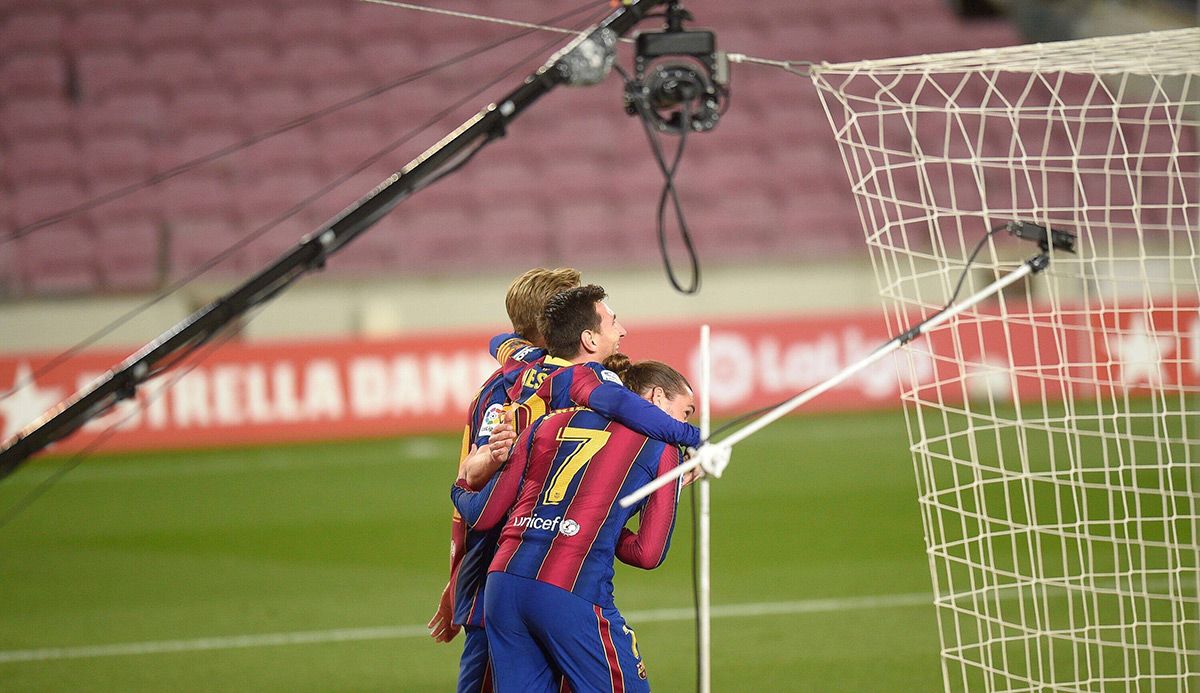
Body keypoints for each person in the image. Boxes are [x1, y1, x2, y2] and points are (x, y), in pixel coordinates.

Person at [452, 356, 696, 692]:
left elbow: (484, 515)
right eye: (685, 412)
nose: (683, 423)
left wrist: (460, 485)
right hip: (569, 590)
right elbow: (648, 554)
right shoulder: (662, 447)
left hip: (503, 586)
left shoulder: (545, 424)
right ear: (655, 398)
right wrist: (604, 525)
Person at [429, 267, 581, 693]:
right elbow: (477, 484)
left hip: (549, 585)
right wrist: (460, 577)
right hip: (504, 590)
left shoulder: (557, 382)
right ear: (555, 326)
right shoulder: (506, 394)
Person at [464, 284, 701, 489]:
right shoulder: (585, 380)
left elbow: (499, 341)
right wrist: (697, 438)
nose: (622, 331)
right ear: (589, 338)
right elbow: (634, 411)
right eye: (613, 322)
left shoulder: (523, 360)